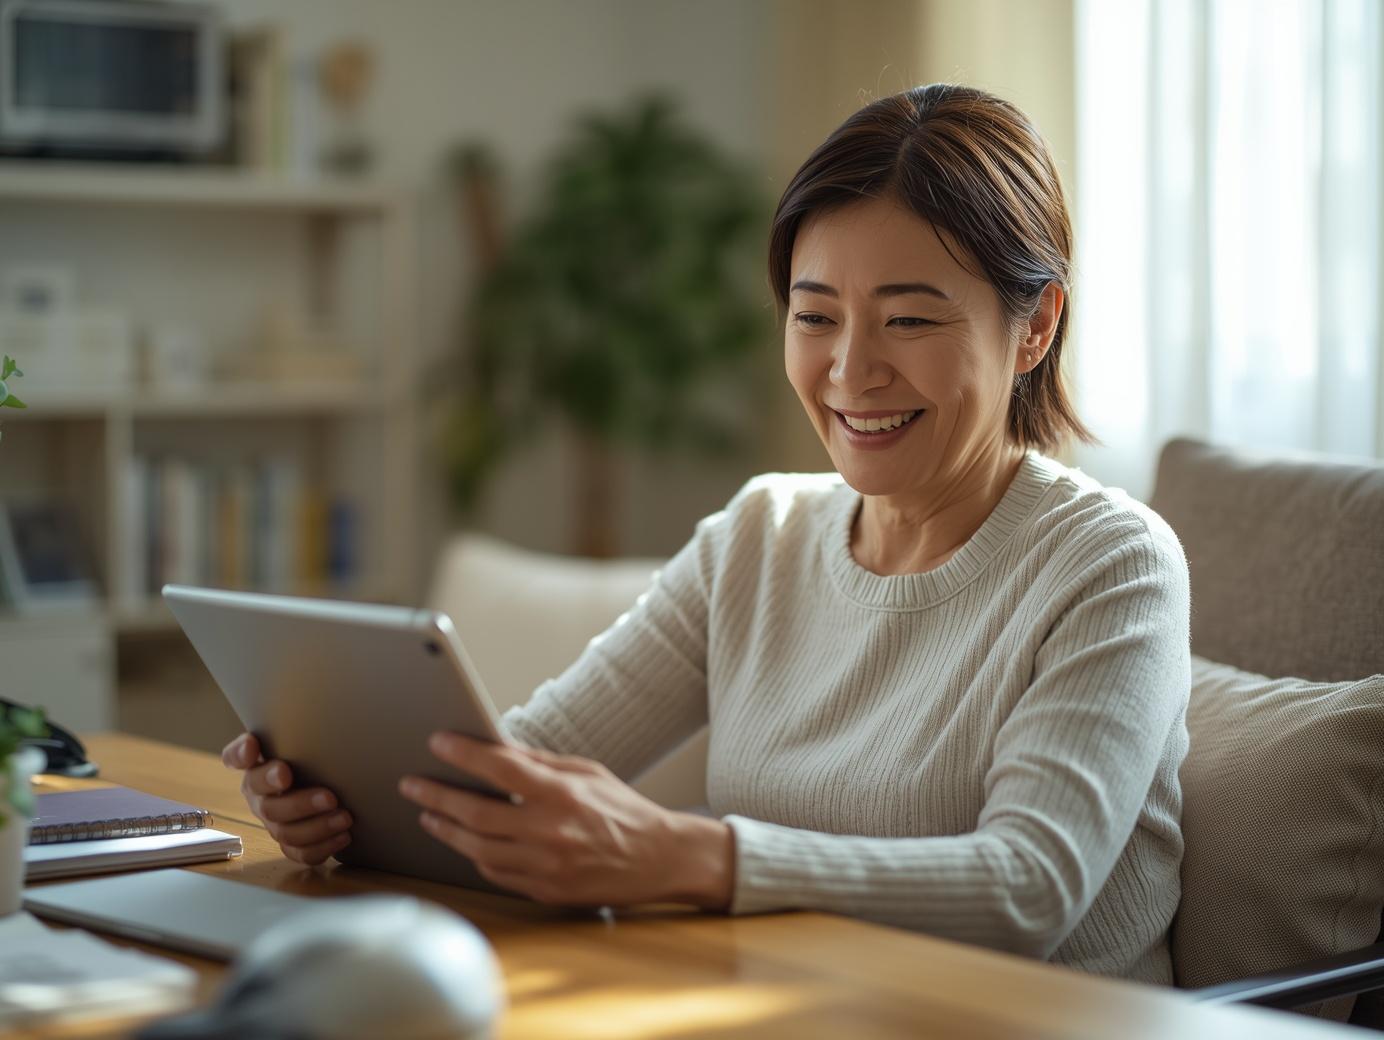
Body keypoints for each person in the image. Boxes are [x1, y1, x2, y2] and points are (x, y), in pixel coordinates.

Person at [222, 84, 1190, 983]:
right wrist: (354, 809)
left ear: (1034, 328)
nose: (852, 370)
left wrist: (683, 852)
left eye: (907, 319)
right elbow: (525, 759)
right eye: (815, 315)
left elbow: (1028, 885)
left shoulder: (1108, 562)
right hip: (781, 1001)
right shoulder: (759, 535)